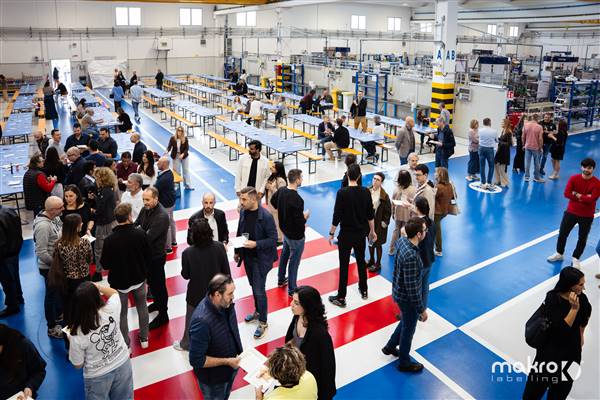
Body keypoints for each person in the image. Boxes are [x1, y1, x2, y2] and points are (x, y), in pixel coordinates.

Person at [522, 267, 591, 400]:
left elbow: (586, 316)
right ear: (570, 285)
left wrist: (581, 334)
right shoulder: (553, 299)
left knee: (559, 395)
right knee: (532, 394)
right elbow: (561, 331)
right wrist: (574, 309)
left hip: (571, 356)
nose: (583, 288)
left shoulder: (582, 298)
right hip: (549, 356)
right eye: (580, 284)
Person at [66, 282, 134, 400]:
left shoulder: (76, 332)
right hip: (122, 362)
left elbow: (78, 365)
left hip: (97, 375)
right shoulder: (111, 309)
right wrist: (98, 287)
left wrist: (70, 339)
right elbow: (114, 293)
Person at [174, 220, 231, 352]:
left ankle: (186, 344)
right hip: (217, 292)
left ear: (193, 234)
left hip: (196, 293)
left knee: (191, 320)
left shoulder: (187, 253)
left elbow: (186, 275)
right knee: (218, 320)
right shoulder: (219, 247)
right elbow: (226, 271)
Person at [101, 203, 151, 349]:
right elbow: (149, 255)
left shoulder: (109, 240)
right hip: (139, 279)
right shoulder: (140, 234)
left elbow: (105, 264)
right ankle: (144, 339)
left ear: (116, 218)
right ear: (129, 216)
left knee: (122, 313)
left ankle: (126, 344)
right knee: (142, 307)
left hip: (120, 283)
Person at [382, 217, 428, 372]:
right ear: (418, 234)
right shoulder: (411, 257)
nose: (426, 232)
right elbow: (412, 288)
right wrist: (421, 309)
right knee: (409, 330)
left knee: (406, 322)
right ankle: (404, 362)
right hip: (407, 299)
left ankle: (390, 346)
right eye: (424, 230)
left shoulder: (402, 241)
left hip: (398, 291)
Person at [328, 164, 376, 307]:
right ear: (359, 176)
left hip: (346, 235)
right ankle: (364, 290)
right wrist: (372, 231)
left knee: (344, 266)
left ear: (347, 175)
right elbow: (370, 214)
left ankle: (341, 297)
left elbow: (337, 215)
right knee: (361, 262)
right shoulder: (366, 192)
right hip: (361, 234)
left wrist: (331, 233)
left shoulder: (342, 193)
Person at [189, 274, 242, 400]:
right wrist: (227, 361)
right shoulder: (201, 322)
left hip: (231, 368)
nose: (233, 297)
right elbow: (196, 360)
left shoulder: (227, 305)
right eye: (230, 293)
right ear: (217, 294)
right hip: (214, 380)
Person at [235, 187, 278, 339]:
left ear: (254, 199)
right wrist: (237, 251)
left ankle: (263, 321)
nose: (241, 202)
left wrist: (256, 244)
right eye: (241, 199)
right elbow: (240, 231)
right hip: (247, 257)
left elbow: (273, 239)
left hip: (260, 260)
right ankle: (258, 311)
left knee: (259, 290)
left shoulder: (266, 216)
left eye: (244, 199)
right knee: (254, 286)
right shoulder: (243, 212)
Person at [547, 158, 600, 269]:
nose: (586, 169)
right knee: (562, 233)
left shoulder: (597, 183)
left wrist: (576, 194)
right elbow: (566, 194)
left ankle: (576, 258)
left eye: (589, 168)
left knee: (582, 238)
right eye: (584, 167)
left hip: (587, 216)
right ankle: (559, 253)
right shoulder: (574, 178)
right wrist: (585, 197)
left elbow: (592, 199)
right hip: (571, 212)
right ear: (581, 167)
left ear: (593, 169)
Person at [284, 286, 336, 399]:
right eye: (292, 300)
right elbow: (291, 340)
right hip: (295, 375)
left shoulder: (320, 334)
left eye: (296, 303)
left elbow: (328, 368)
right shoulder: (297, 317)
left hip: (310, 381)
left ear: (307, 306)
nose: (291, 304)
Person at [135, 187, 170, 329]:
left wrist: (136, 234)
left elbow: (147, 238)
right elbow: (137, 224)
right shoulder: (146, 209)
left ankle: (163, 315)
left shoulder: (161, 216)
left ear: (156, 198)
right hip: (147, 256)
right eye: (144, 199)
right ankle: (157, 303)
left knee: (159, 286)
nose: (145, 202)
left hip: (156, 257)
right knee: (152, 284)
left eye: (148, 199)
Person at [271, 169, 309, 294]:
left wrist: (283, 211)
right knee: (294, 262)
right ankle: (292, 289)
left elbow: (273, 202)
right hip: (296, 236)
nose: (302, 180)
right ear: (297, 180)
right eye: (301, 177)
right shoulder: (297, 199)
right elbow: (299, 222)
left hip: (285, 232)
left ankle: (281, 279)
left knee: (284, 256)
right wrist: (305, 216)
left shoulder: (281, 191)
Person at [48, 213, 92, 325]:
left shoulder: (59, 244)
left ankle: (70, 327)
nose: (82, 223)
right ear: (76, 227)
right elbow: (90, 259)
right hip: (84, 279)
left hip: (67, 280)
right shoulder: (85, 242)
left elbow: (57, 261)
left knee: (69, 306)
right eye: (80, 222)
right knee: (84, 305)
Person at [32, 196, 64, 338]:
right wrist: (56, 265)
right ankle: (51, 327)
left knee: (57, 293)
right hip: (49, 268)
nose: (63, 209)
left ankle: (58, 315)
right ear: (51, 210)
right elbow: (41, 252)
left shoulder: (55, 218)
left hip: (57, 264)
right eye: (60, 207)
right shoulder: (43, 226)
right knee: (50, 296)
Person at [0, 324, 47, 400]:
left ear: (4, 344)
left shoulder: (24, 346)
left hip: (20, 395)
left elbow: (39, 371)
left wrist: (30, 386)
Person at [90, 167, 117, 282]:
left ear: (102, 178)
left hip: (104, 224)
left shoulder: (105, 191)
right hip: (111, 222)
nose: (95, 180)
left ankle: (98, 272)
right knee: (112, 247)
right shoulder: (109, 190)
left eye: (97, 178)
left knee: (99, 249)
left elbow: (100, 209)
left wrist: (92, 211)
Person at [0, 206, 24, 317]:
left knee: (7, 281)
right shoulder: (10, 210)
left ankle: (12, 305)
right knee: (15, 276)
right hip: (14, 251)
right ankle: (19, 297)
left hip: (4, 256)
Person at [413, 196, 435, 308]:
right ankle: (423, 309)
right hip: (429, 259)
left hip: (419, 261)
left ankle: (412, 312)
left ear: (417, 208)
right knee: (425, 287)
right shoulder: (432, 222)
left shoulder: (417, 225)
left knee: (414, 289)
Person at [367, 172, 392, 273]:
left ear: (381, 182)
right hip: (368, 221)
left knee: (378, 244)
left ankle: (378, 263)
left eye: (378, 180)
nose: (375, 181)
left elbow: (388, 211)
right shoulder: (367, 191)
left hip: (378, 223)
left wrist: (384, 223)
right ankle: (371, 260)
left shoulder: (384, 196)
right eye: (374, 178)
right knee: (370, 242)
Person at [389, 170, 416, 255]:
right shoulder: (413, 190)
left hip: (398, 213)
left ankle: (391, 249)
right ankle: (403, 250)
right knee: (405, 232)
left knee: (396, 230)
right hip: (408, 214)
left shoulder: (397, 189)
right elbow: (414, 202)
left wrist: (392, 213)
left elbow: (392, 202)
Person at [155, 157, 177, 253]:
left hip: (165, 203)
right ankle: (173, 241)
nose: (157, 164)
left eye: (159, 163)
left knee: (166, 225)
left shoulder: (164, 178)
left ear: (164, 164)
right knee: (171, 222)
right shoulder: (169, 173)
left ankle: (168, 247)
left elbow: (155, 189)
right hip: (171, 201)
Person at [265, 161, 288, 243]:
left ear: (278, 169)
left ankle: (280, 239)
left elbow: (281, 194)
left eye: (273, 167)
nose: (271, 168)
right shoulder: (273, 177)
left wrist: (271, 188)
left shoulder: (281, 180)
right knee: (273, 222)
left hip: (277, 206)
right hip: (271, 204)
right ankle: (277, 236)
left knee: (277, 222)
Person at [433, 167, 452, 257]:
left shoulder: (439, 187)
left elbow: (432, 197)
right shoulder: (450, 185)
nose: (434, 174)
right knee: (437, 228)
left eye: (436, 173)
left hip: (437, 212)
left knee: (437, 231)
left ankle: (438, 249)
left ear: (439, 175)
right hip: (445, 211)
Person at [523, 114, 545, 183]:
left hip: (527, 146)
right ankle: (536, 178)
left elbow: (523, 136)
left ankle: (526, 177)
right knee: (537, 163)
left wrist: (523, 145)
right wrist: (540, 148)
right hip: (536, 147)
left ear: (532, 118)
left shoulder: (526, 125)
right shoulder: (539, 127)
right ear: (537, 119)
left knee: (527, 162)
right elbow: (540, 139)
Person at [476, 117, 497, 190]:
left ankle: (483, 182)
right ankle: (489, 182)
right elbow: (497, 140)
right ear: (490, 123)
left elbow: (478, 138)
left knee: (482, 166)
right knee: (491, 166)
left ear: (483, 123)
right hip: (489, 149)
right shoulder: (494, 131)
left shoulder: (480, 130)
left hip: (481, 148)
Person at [493, 117, 512, 188]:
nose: (501, 124)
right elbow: (501, 139)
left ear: (506, 124)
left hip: (504, 153)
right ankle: (498, 180)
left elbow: (509, 144)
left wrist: (500, 142)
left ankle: (505, 182)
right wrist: (496, 139)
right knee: (496, 165)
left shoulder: (509, 132)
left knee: (501, 168)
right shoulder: (503, 130)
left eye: (502, 123)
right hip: (499, 151)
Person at [539, 112, 557, 177]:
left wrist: (549, 132)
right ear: (544, 117)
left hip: (548, 143)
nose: (546, 118)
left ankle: (541, 169)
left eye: (548, 117)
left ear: (550, 118)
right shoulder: (540, 123)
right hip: (540, 143)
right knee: (538, 156)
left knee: (545, 156)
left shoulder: (553, 124)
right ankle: (537, 168)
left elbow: (555, 132)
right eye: (545, 117)